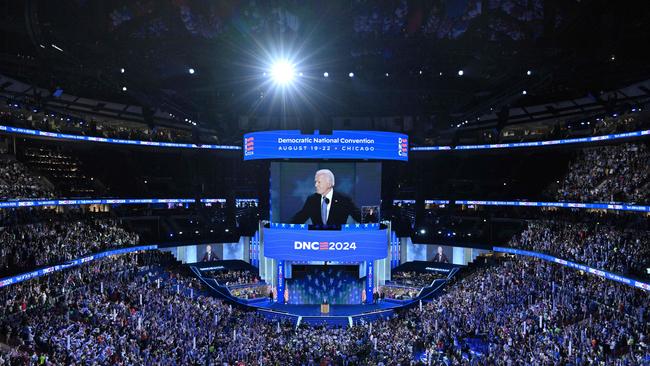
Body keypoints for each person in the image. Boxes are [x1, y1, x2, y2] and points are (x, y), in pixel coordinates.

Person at [291, 169, 361, 225]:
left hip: (338, 240)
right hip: (317, 239)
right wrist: (282, 227)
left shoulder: (343, 199)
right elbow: (299, 218)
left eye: (319, 182)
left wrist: (370, 218)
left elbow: (359, 217)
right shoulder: (312, 200)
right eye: (315, 182)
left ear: (329, 184)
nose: (316, 185)